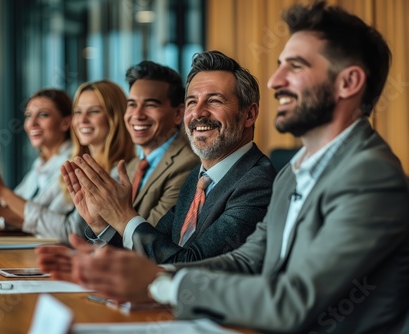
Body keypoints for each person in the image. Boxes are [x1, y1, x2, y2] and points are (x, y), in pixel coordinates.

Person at [36, 1, 409, 333]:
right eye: (279, 66)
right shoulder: (296, 168)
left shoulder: (369, 175)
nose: (275, 81)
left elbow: (295, 302)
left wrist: (162, 284)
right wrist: (150, 275)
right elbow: (247, 262)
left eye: (295, 67)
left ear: (349, 82)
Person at [60, 51, 276, 263]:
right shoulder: (198, 178)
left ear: (249, 114)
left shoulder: (257, 184)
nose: (198, 113)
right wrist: (102, 225)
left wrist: (122, 215)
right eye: (192, 102)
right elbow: (155, 251)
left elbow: (190, 265)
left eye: (214, 101)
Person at [77, 61, 200, 245]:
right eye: (132, 104)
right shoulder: (131, 165)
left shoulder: (187, 165)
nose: (137, 115)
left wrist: (104, 226)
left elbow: (149, 239)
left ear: (178, 113)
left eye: (150, 105)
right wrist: (98, 224)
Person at [18, 80, 135, 242]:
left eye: (94, 111)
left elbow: (73, 232)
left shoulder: (122, 172)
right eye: (78, 112)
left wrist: (1, 194)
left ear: (114, 118)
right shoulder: (76, 166)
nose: (83, 120)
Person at [0, 88, 74, 225]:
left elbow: (46, 223)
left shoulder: (71, 165)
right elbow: (20, 212)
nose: (32, 124)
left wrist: (0, 192)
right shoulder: (41, 164)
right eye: (28, 115)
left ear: (65, 123)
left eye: (43, 115)